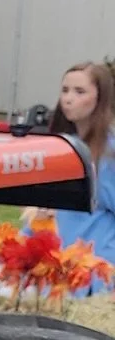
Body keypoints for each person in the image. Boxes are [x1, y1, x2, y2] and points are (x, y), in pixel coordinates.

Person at [51, 60, 115, 278]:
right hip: (59, 261)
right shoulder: (60, 146)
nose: (68, 99)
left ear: (100, 98)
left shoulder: (110, 152)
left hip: (98, 266)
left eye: (80, 92)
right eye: (65, 90)